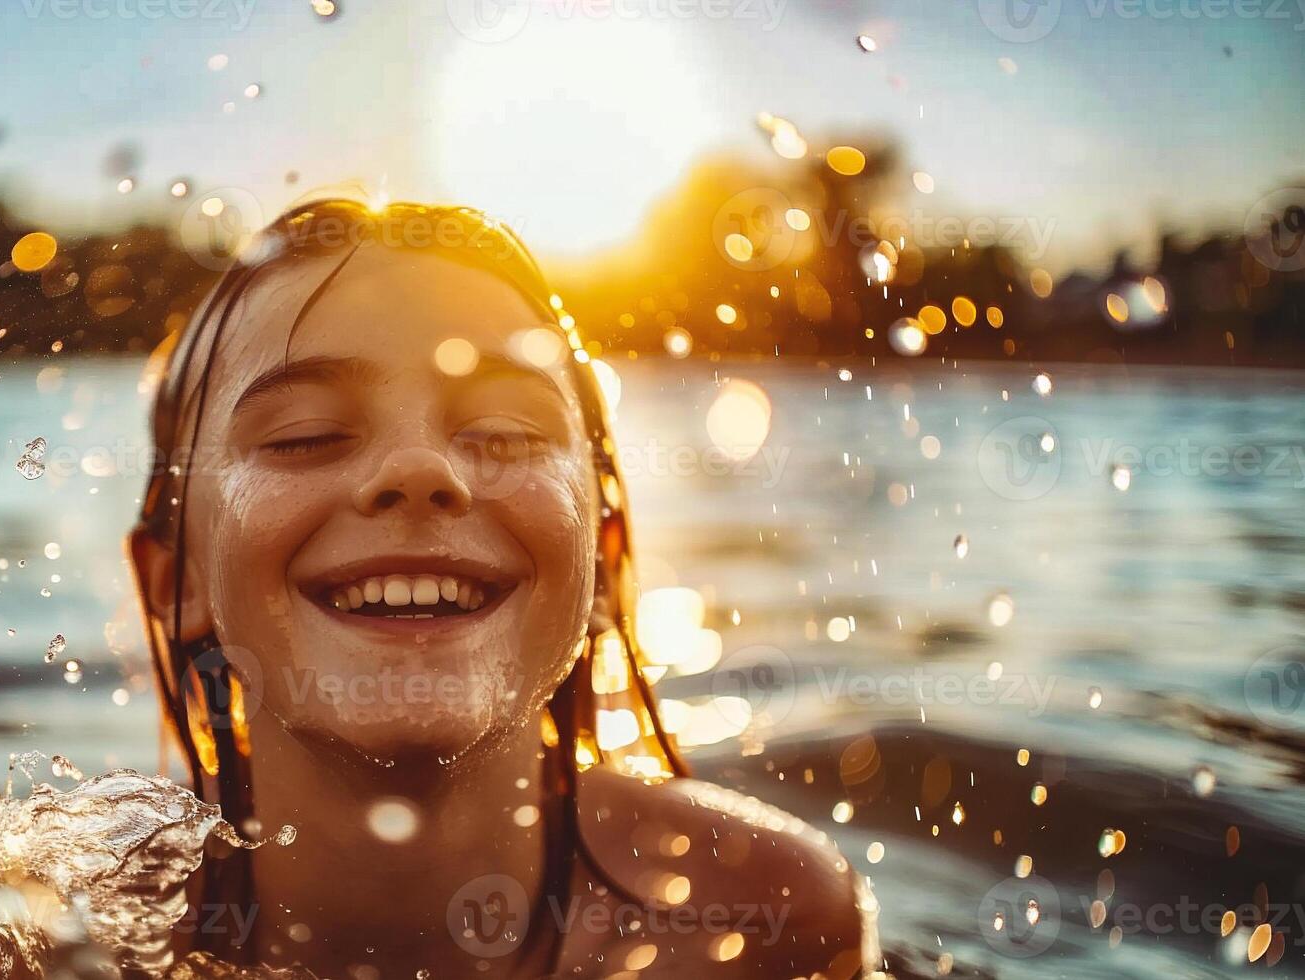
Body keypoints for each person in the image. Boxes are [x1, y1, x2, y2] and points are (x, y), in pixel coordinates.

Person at [128, 199, 879, 979]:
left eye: (508, 434)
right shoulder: (70, 936)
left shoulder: (764, 919)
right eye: (304, 436)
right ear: (177, 577)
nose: (419, 470)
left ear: (602, 566)